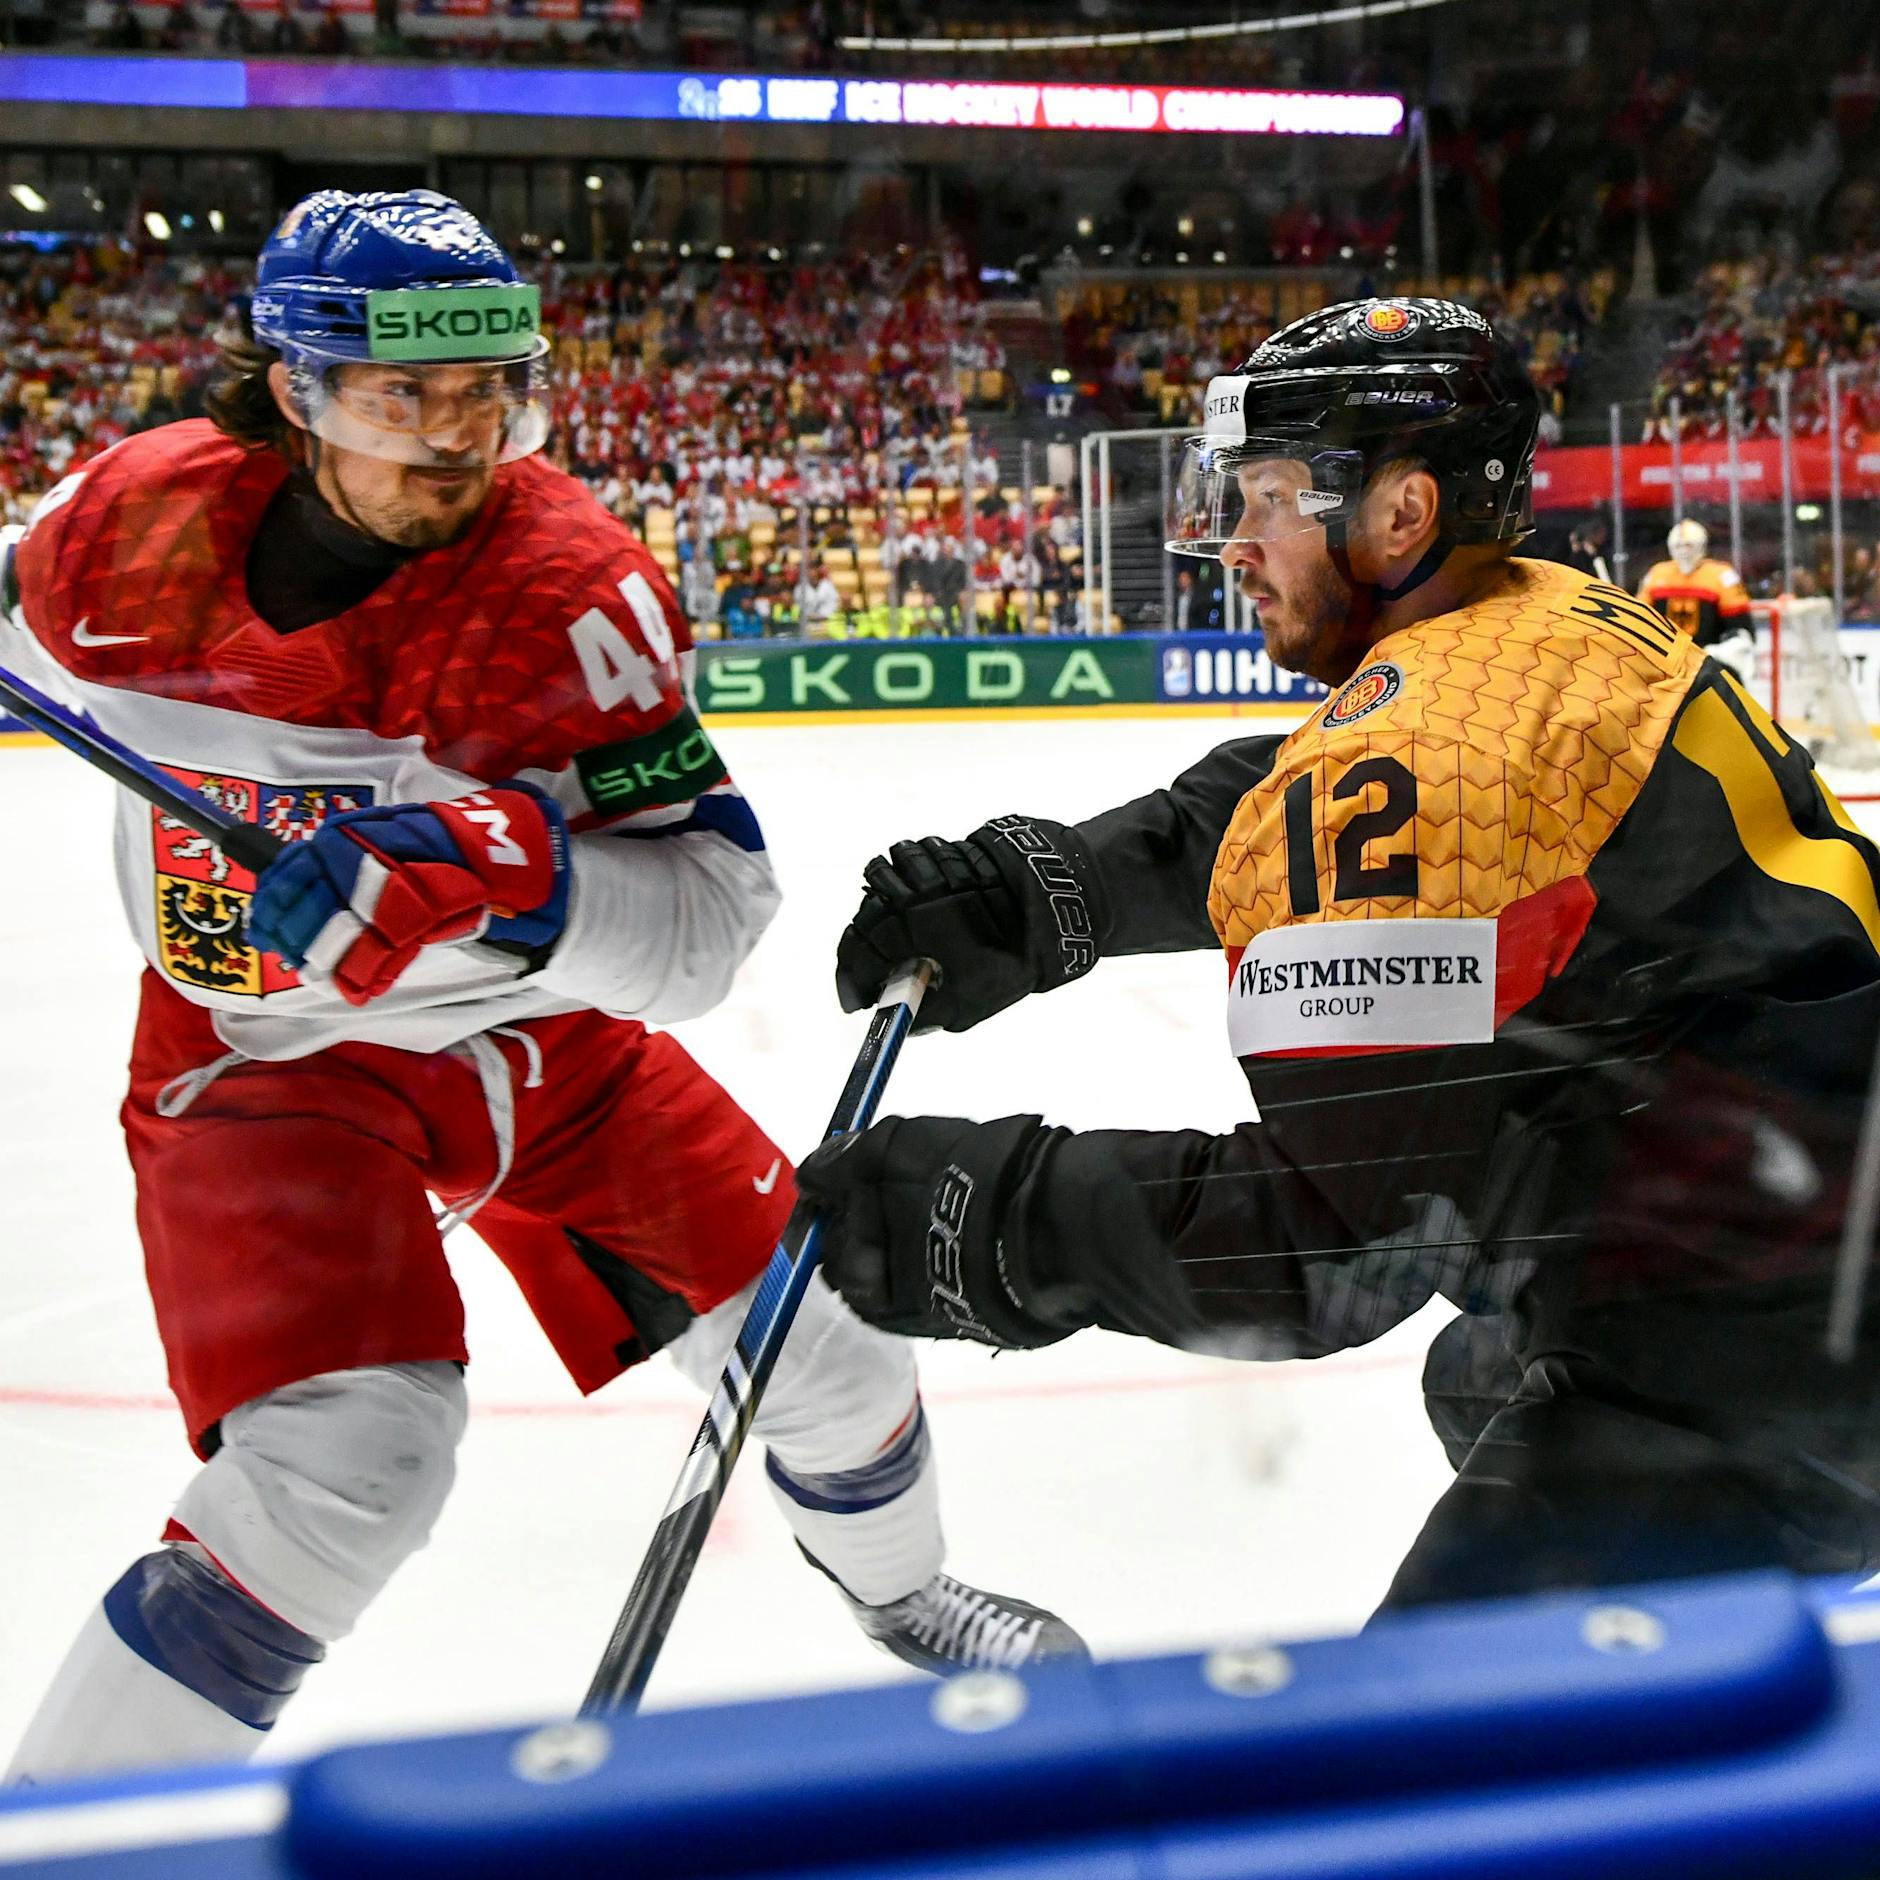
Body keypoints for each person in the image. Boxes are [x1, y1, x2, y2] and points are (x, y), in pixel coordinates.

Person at [0, 190, 1080, 1784]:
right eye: (403, 395)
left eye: (491, 390)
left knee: (832, 1341)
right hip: (262, 1059)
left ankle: (905, 1595)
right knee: (341, 1469)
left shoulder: (571, 591)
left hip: (543, 1043)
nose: (458, 438)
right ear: (293, 389)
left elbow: (714, 916)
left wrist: (518, 869)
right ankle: (71, 1832)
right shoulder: (124, 524)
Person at [802, 296, 1880, 1613]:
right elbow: (1292, 799)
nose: (1234, 544)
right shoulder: (1544, 619)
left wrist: (981, 1217)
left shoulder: (1431, 744)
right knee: (1487, 1361)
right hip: (1804, 1212)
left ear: (1401, 516)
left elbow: (1329, 1249)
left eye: (1267, 499)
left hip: (1774, 1355)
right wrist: (1055, 889)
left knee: (1433, 1782)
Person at [1637, 519, 1755, 683]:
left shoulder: (1722, 576)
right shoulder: (1657, 574)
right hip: (1667, 662)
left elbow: (1741, 631)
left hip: (1709, 661)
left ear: (1701, 546)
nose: (1683, 551)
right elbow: (1640, 620)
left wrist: (1720, 652)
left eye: (1688, 545)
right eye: (1679, 546)